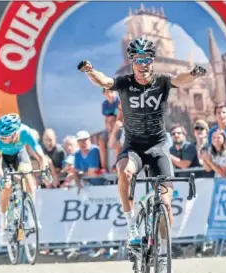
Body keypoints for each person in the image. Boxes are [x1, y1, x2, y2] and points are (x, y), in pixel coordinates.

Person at [78, 37, 206, 250]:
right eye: (137, 60)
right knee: (123, 171)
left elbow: (179, 79)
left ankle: (164, 250)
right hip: (134, 146)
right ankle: (132, 228)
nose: (142, 64)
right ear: (132, 62)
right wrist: (90, 71)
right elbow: (105, 82)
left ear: (152, 61)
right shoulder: (125, 82)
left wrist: (193, 74)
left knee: (166, 204)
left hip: (158, 147)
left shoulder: (162, 80)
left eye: (146, 59)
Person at [0, 113, 51, 244]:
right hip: (3, 160)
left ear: (14, 133)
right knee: (6, 187)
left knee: (27, 174)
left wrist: (45, 171)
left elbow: (41, 156)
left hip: (19, 155)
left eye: (5, 137)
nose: (1, 139)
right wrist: (3, 178)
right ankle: (4, 225)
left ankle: (30, 215)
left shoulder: (25, 132)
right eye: (0, 137)